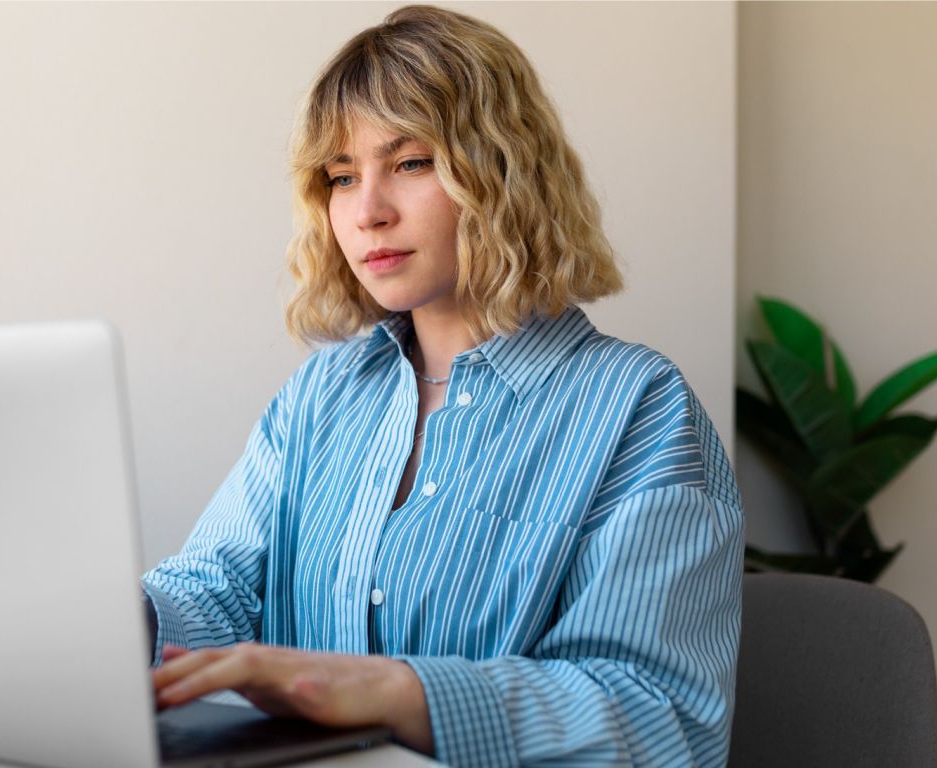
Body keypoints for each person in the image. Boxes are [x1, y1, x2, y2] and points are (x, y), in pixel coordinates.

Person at [143, 5, 744, 767]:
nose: (367, 212)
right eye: (340, 176)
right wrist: (121, 623)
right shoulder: (323, 392)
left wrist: (396, 692)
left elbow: (660, 723)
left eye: (412, 162)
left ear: (503, 170)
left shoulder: (639, 410)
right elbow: (215, 584)